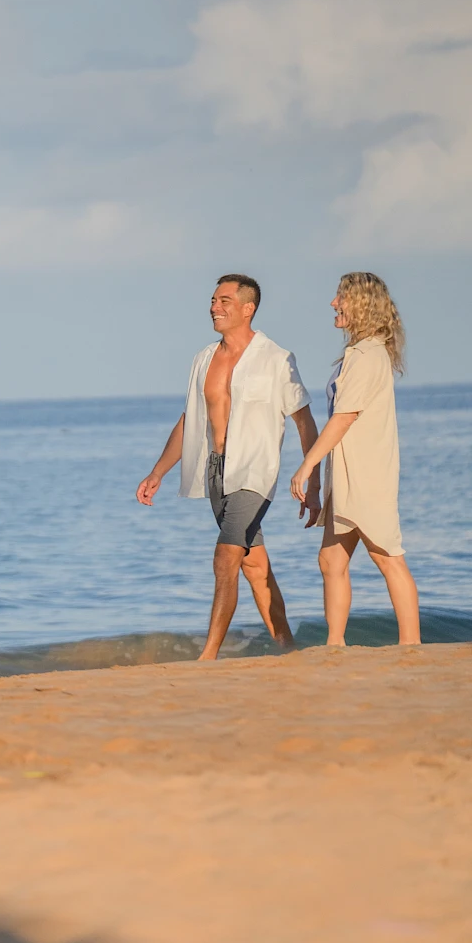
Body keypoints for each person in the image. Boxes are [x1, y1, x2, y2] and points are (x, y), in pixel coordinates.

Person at [136, 274, 322, 660]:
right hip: (216, 470)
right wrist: (158, 472)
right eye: (213, 300)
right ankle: (289, 649)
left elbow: (304, 422)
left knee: (225, 558)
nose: (214, 307)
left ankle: (208, 657)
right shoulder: (204, 358)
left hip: (254, 472)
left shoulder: (276, 358)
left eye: (224, 301)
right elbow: (191, 421)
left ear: (247, 308)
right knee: (254, 566)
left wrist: (314, 480)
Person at [289, 272, 420, 646]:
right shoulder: (359, 353)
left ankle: (411, 647)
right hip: (346, 473)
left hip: (366, 473)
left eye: (340, 297)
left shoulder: (368, 356)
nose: (334, 303)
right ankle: (335, 646)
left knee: (387, 556)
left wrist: (307, 466)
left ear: (360, 303)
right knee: (331, 561)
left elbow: (343, 418)